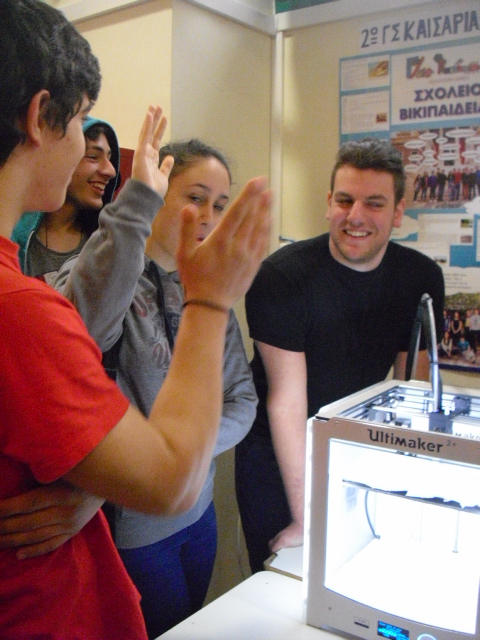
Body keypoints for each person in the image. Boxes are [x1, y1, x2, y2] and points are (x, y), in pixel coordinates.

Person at [0, 1, 271, 637]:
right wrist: (212, 300)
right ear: (40, 117)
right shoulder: (23, 306)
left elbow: (238, 400)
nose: (92, 159)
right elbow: (168, 478)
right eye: (80, 124)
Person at [53, 139, 257, 637]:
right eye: (195, 197)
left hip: (198, 514)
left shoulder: (206, 285)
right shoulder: (99, 272)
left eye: (220, 205)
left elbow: (243, 399)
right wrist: (149, 467)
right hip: (131, 529)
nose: (208, 217)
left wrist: (178, 456)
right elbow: (85, 330)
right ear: (157, 192)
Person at [235, 137, 444, 574]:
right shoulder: (282, 277)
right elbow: (287, 402)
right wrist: (304, 517)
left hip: (355, 444)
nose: (356, 217)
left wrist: (405, 481)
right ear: (329, 203)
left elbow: (412, 390)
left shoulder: (420, 278)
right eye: (345, 201)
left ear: (398, 212)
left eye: (374, 204)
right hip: (278, 452)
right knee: (285, 574)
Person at [12, 116, 120, 282]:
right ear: (59, 160)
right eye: (93, 156)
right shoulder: (12, 234)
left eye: (109, 158)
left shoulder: (104, 245)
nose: (110, 171)